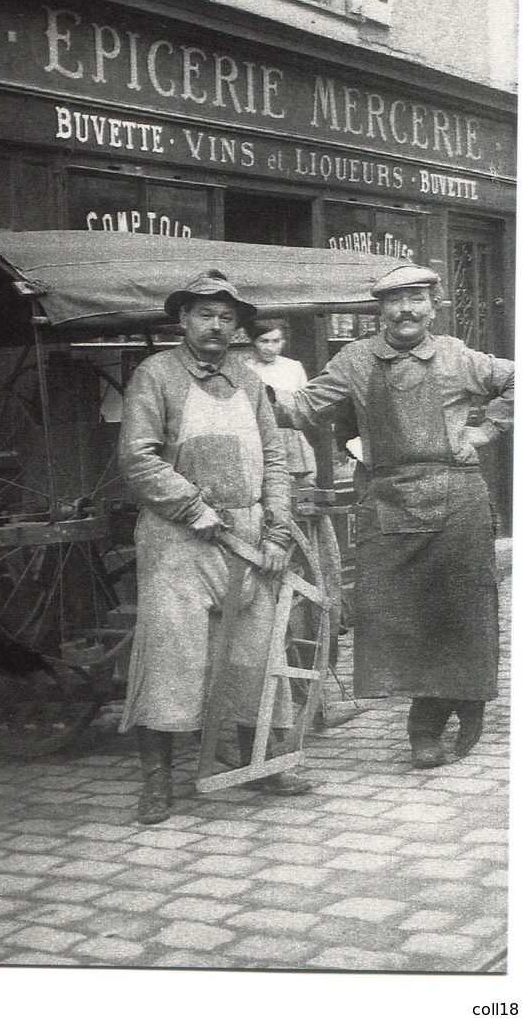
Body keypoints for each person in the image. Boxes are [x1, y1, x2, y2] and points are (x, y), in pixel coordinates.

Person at [273, 263, 514, 769]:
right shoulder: (355, 360)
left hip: (458, 503)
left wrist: (489, 428)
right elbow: (303, 407)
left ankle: (433, 721)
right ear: (378, 308)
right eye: (394, 300)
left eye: (417, 299)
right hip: (388, 504)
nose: (406, 310)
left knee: (462, 616)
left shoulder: (456, 356)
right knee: (395, 623)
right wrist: (246, 390)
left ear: (433, 305)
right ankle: (449, 701)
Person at [117, 269, 312, 824]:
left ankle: (264, 763)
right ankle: (157, 781)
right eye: (205, 314)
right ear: (183, 319)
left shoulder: (250, 381)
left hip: (247, 538)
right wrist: (192, 507)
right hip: (178, 539)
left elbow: (274, 459)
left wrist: (276, 530)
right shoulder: (155, 376)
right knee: (171, 657)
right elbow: (138, 457)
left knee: (256, 653)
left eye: (228, 318)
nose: (217, 326)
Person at [244, 319, 318, 484]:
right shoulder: (246, 369)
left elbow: (303, 403)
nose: (270, 347)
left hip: (292, 436)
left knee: (302, 484)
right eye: (264, 341)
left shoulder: (293, 367)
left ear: (283, 342)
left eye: (276, 341)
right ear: (253, 342)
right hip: (260, 436)